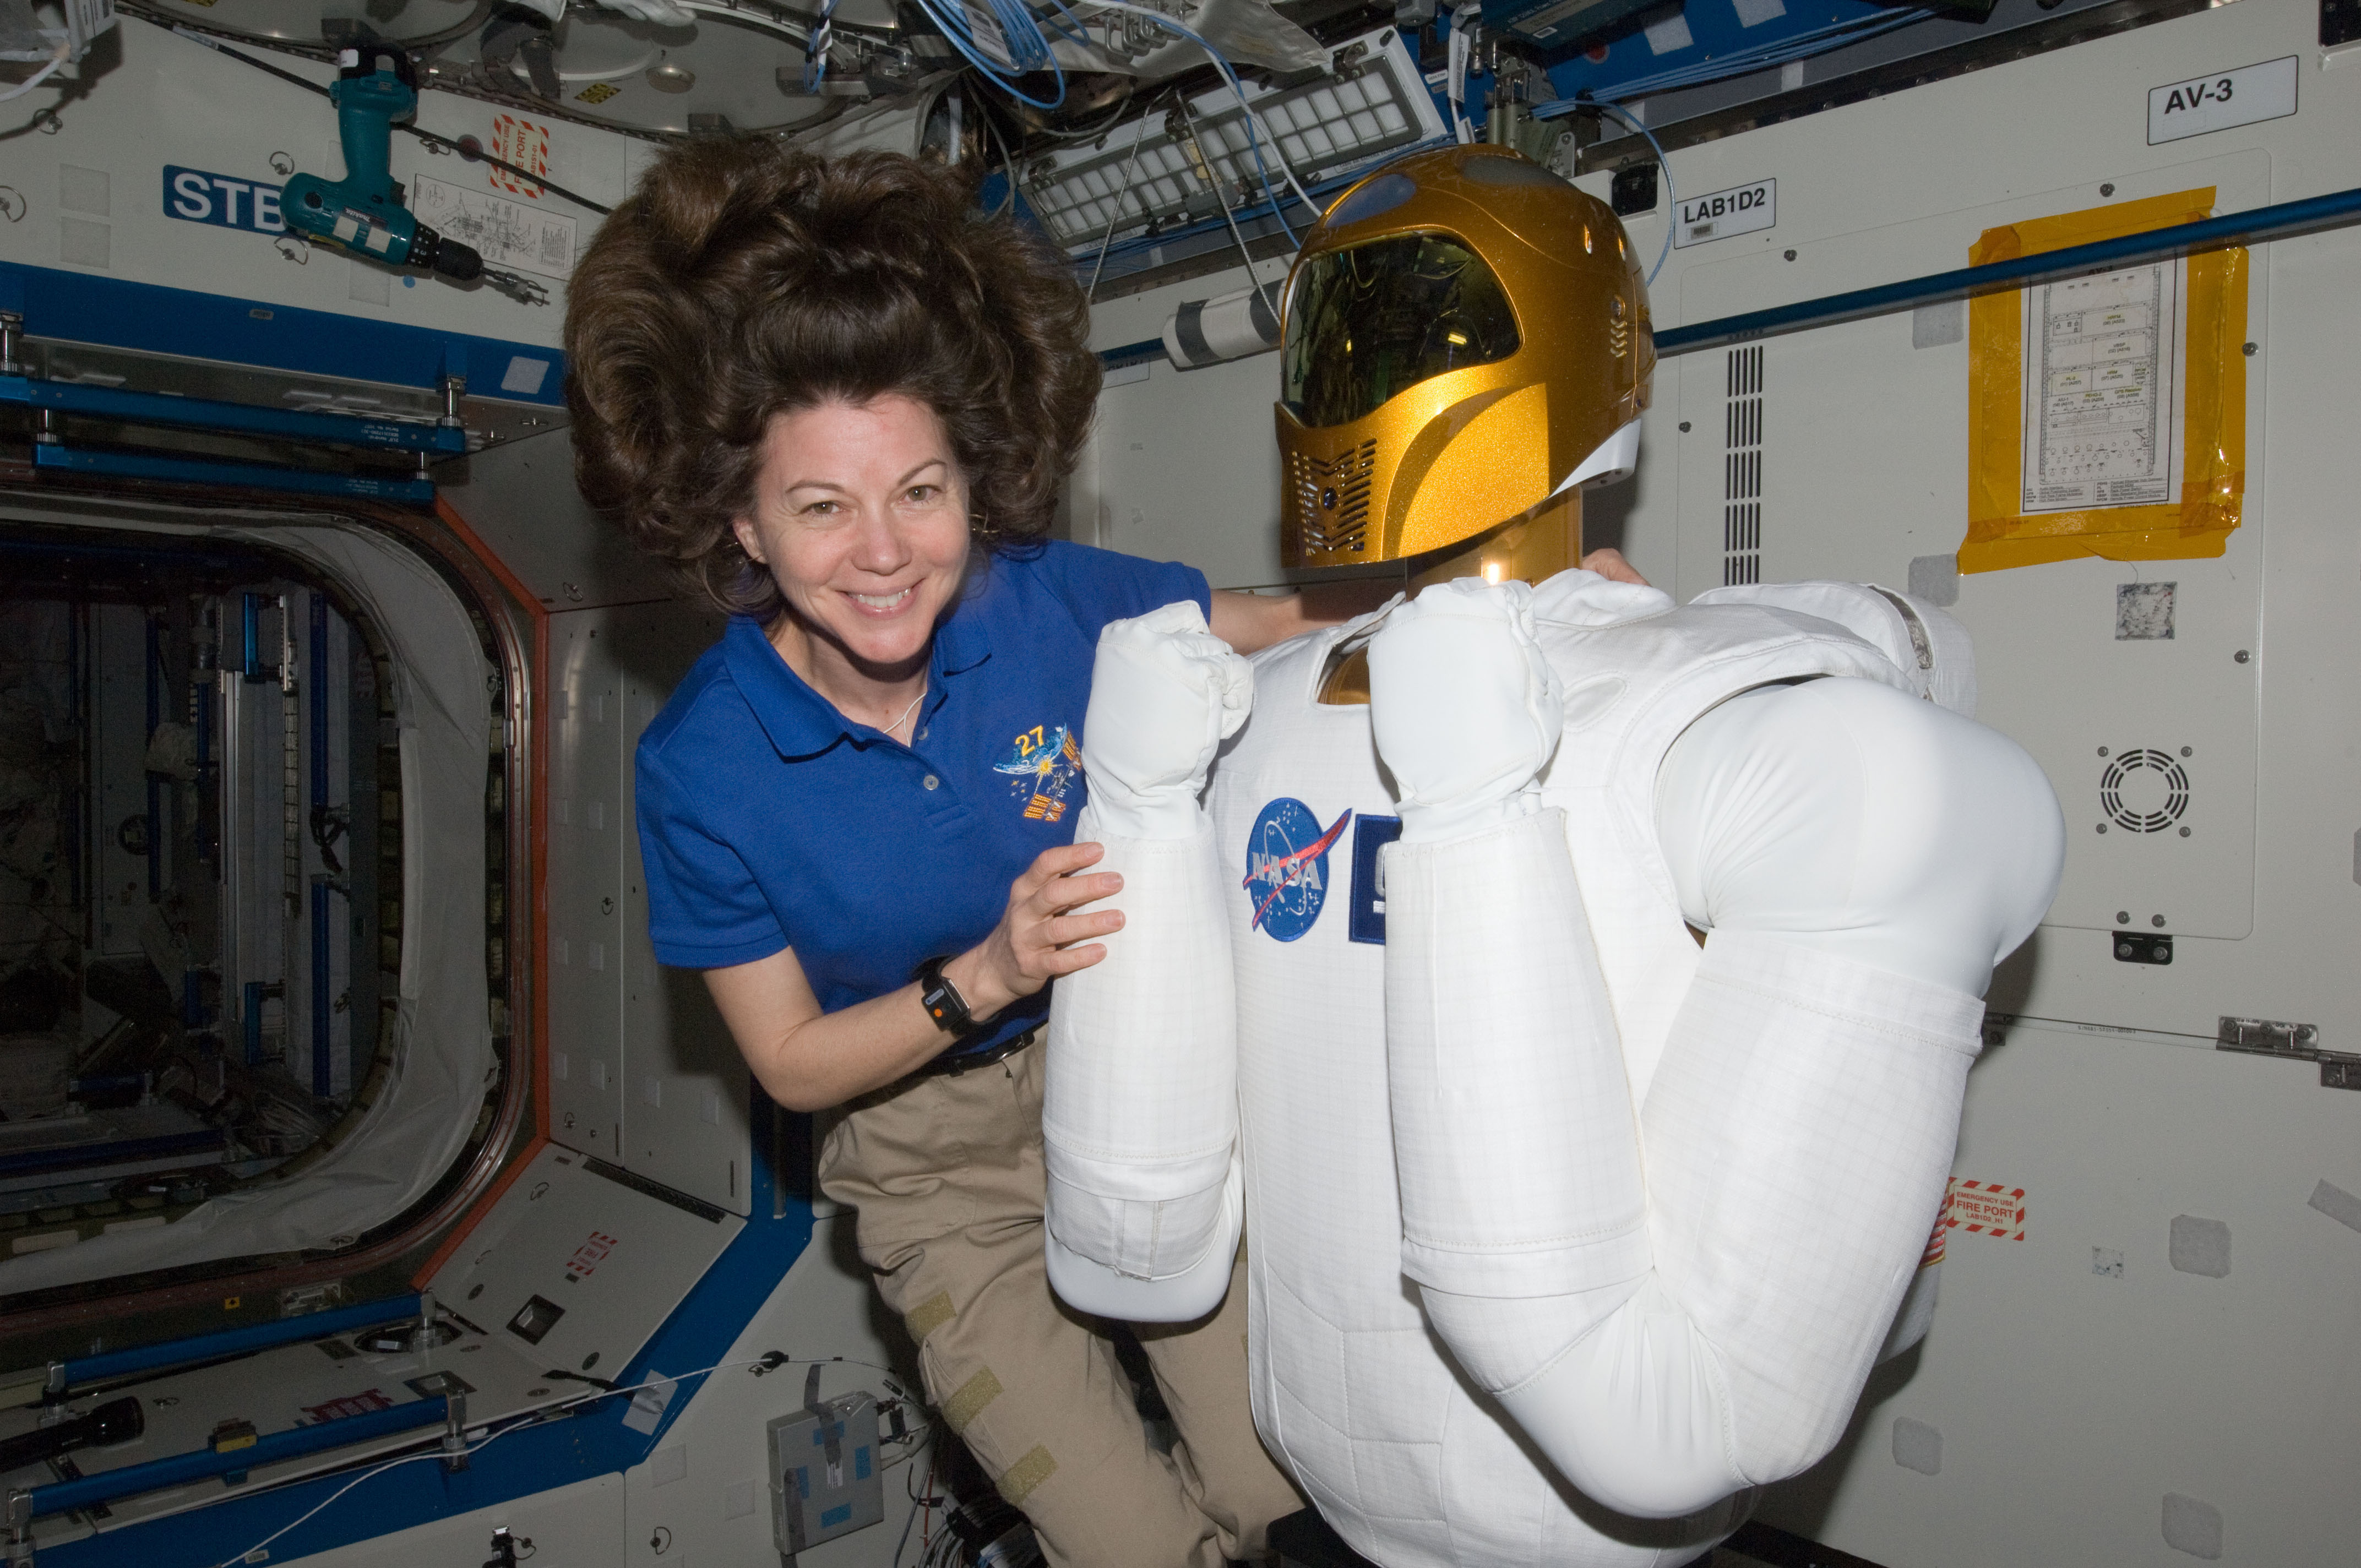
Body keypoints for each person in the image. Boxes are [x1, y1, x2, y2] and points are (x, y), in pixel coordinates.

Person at [1041, 144, 2065, 1567]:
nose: (1365, 377)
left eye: (1424, 328)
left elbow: (1684, 1426)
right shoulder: (1253, 711)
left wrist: (1482, 806)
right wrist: (1140, 811)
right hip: (1324, 1471)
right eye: (1341, 334)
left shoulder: (1747, 733)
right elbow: (1131, 1245)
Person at [561, 137, 1319, 1568]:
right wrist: (988, 967)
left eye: (920, 490)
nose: (886, 551)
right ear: (745, 526)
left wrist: (1504, 588)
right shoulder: (703, 766)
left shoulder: (1034, 602)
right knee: (1130, 1548)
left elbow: (1280, 623)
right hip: (927, 1167)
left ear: (972, 483)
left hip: (1128, 1067)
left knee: (1285, 1485)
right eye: (821, 506)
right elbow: (785, 1064)